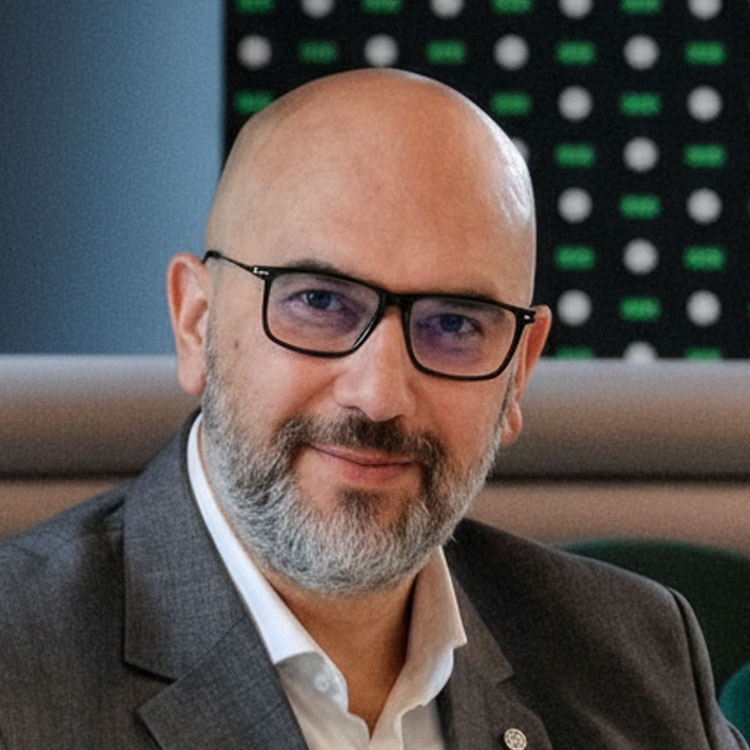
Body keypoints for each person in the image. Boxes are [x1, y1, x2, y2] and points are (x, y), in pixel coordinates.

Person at [0, 69, 744, 750]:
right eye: (319, 302)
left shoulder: (638, 658)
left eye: (454, 323)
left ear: (518, 373)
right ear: (195, 323)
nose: (379, 394)